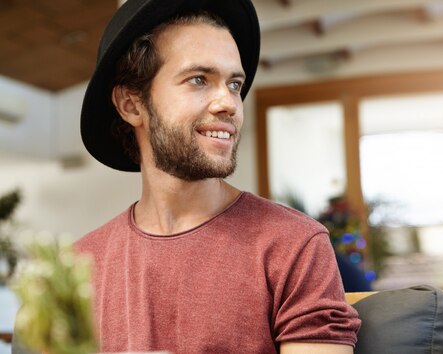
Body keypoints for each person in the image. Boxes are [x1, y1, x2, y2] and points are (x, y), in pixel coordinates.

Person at [73, 0, 361, 353]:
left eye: (234, 84)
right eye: (199, 80)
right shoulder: (80, 265)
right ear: (132, 105)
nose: (229, 103)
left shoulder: (293, 245)